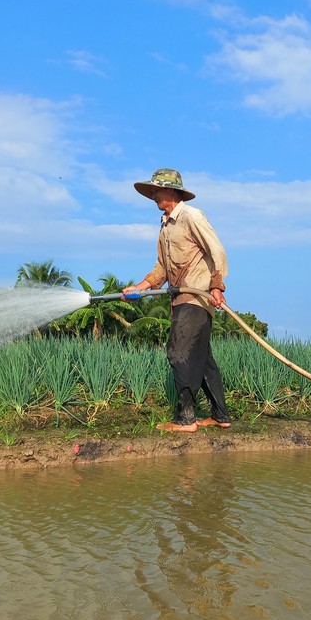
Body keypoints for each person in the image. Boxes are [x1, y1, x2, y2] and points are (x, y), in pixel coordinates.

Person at [123, 168, 231, 433]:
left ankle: (185, 419)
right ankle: (220, 416)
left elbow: (216, 249)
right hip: (179, 297)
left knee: (179, 353)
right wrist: (141, 285)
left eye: (156, 190)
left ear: (171, 191)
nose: (153, 195)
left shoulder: (191, 216)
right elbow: (162, 268)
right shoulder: (165, 227)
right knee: (202, 359)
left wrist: (217, 286)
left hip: (196, 296)